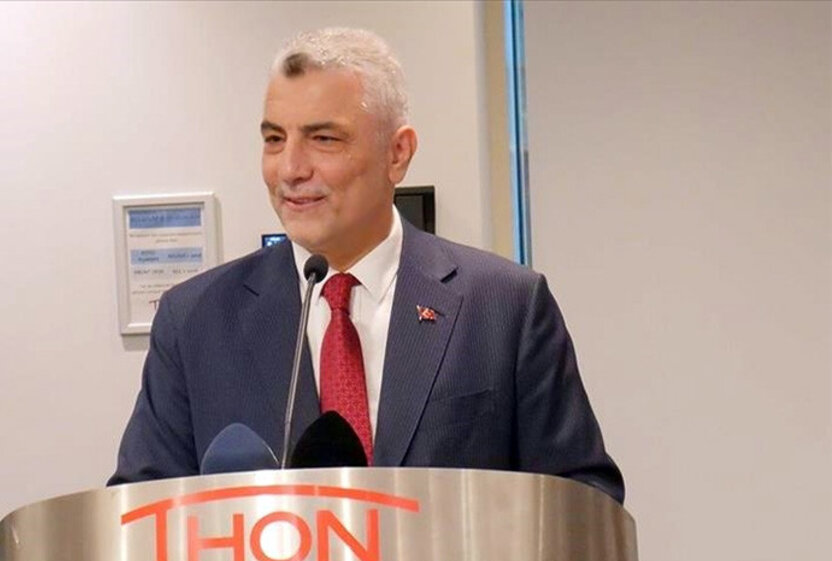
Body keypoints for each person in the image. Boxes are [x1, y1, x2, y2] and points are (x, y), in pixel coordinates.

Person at [109, 28, 624, 503]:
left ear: (398, 154)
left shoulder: (505, 306)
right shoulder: (195, 320)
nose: (290, 169)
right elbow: (138, 511)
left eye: (324, 139)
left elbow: (583, 501)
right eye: (274, 139)